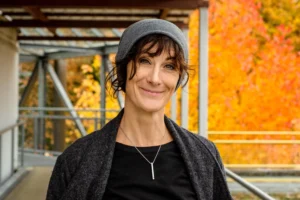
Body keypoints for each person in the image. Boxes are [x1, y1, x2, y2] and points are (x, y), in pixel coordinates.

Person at [46, 19, 232, 200]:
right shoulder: (75, 160)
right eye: (145, 61)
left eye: (169, 66)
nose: (155, 78)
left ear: (178, 79)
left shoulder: (205, 155)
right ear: (123, 69)